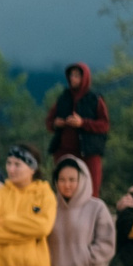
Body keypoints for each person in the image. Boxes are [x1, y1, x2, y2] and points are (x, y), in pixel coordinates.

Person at [45, 64, 112, 195]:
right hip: (64, 151)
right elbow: (49, 122)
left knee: (91, 189)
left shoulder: (95, 99)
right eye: (71, 75)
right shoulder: (63, 98)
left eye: (77, 75)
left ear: (85, 77)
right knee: (64, 189)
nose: (73, 79)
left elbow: (104, 125)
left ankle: (91, 215)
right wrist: (56, 123)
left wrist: (83, 123)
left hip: (89, 153)